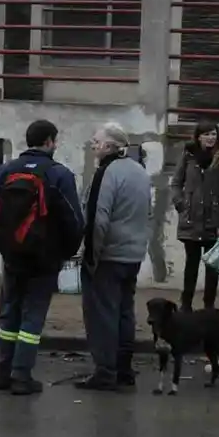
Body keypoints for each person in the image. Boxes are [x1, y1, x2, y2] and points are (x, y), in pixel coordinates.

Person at [0, 119, 85, 395]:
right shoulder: (59, 174)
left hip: (13, 257)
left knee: (9, 313)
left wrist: (3, 245)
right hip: (45, 259)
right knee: (32, 316)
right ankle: (22, 376)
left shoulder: (4, 171)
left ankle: (2, 373)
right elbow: (73, 220)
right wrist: (65, 252)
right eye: (55, 140)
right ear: (49, 141)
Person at [74, 123, 152, 392]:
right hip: (133, 255)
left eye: (96, 141)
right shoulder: (139, 170)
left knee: (102, 315)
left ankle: (105, 371)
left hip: (109, 255)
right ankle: (123, 368)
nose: (93, 145)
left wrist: (91, 257)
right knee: (124, 312)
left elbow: (98, 218)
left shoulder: (106, 173)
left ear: (109, 146)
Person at [170, 120, 219, 311]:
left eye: (214, 134)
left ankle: (209, 306)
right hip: (191, 218)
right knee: (190, 265)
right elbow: (176, 182)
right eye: (207, 134)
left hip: (214, 220)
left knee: (212, 267)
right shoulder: (188, 154)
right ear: (198, 136)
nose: (211, 138)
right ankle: (186, 304)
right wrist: (180, 203)